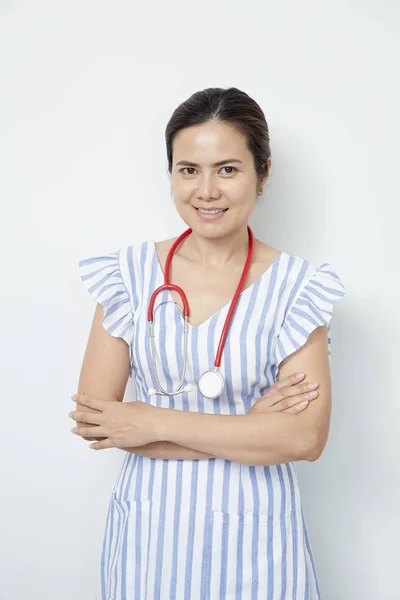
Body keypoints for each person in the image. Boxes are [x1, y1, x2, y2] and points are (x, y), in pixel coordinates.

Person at [71, 87, 346, 599]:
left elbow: (304, 439)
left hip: (259, 542)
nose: (206, 190)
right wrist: (252, 430)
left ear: (262, 173)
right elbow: (98, 422)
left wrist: (149, 421)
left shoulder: (299, 288)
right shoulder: (128, 275)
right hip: (147, 540)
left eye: (227, 169)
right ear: (171, 173)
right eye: (188, 170)